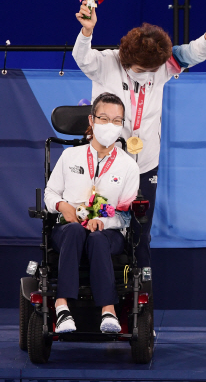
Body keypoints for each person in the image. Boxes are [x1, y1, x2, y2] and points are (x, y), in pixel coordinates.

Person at [72, 0, 206, 269]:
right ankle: (98, 277)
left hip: (145, 162)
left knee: (141, 231)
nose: (148, 75)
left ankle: (142, 284)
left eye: (152, 71)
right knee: (100, 223)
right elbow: (82, 57)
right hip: (106, 161)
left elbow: (191, 53)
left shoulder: (162, 65)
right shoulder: (106, 63)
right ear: (127, 59)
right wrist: (87, 32)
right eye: (142, 70)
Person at [44, 93, 140, 333]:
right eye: (104, 118)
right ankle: (62, 307)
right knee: (74, 231)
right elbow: (50, 193)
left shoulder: (128, 166)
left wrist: (103, 222)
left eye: (117, 121)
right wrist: (62, 206)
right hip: (68, 228)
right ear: (92, 120)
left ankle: (109, 311)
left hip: (108, 233)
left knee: (97, 239)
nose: (110, 125)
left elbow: (125, 215)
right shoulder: (70, 156)